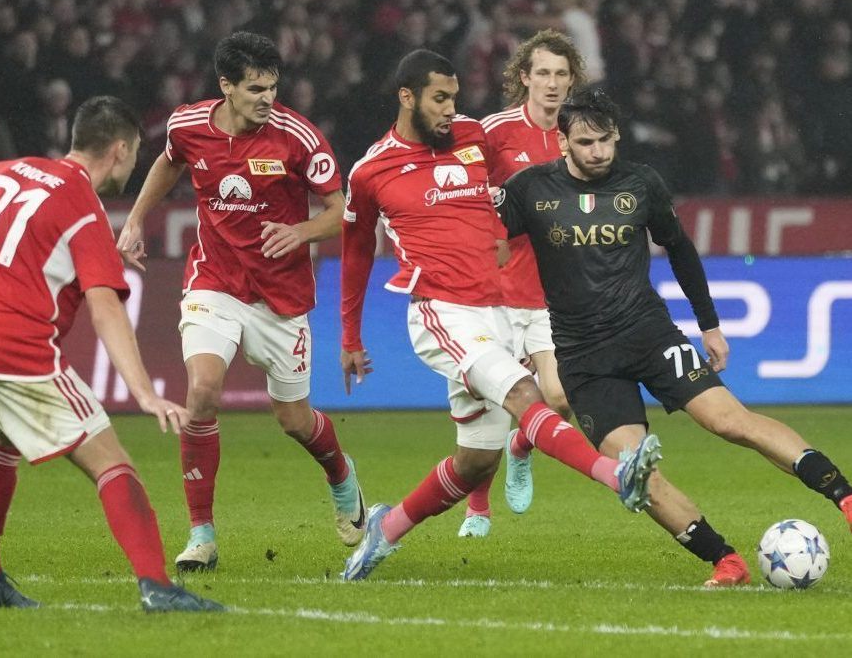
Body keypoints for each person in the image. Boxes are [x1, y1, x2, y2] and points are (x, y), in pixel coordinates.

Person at [497, 88, 852, 586]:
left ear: (617, 136)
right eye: (585, 143)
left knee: (731, 422)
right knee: (635, 470)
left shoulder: (641, 183)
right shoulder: (529, 189)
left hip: (649, 334)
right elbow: (482, 245)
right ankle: (726, 561)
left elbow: (680, 250)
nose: (598, 152)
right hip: (584, 358)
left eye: (605, 140)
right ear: (562, 143)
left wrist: (709, 325)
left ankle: (845, 497)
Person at [339, 49, 662, 582]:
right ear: (406, 97)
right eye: (439, 99)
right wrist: (350, 335)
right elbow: (355, 252)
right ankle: (616, 475)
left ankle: (386, 529)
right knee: (526, 395)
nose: (451, 109)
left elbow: (511, 189)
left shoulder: (472, 136)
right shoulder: (372, 169)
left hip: (497, 309)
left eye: (454, 98)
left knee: (475, 462)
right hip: (441, 311)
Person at [0, 96, 223, 612]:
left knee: (4, 435)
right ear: (120, 150)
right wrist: (144, 393)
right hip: (11, 348)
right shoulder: (82, 203)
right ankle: (158, 588)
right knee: (111, 462)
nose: (132, 167)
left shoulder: (0, 171)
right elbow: (106, 309)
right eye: (134, 155)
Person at [116, 31, 366, 573]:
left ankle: (340, 475)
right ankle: (201, 535)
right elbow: (169, 162)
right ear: (226, 86)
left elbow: (340, 210)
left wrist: (300, 232)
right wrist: (135, 218)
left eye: (273, 87)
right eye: (255, 89)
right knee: (203, 391)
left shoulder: (298, 137)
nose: (267, 99)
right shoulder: (188, 125)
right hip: (216, 282)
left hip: (282, 297)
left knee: (294, 420)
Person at [459, 29, 587, 538]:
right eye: (543, 73)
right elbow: (464, 191)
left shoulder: (579, 135)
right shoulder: (494, 132)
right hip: (496, 293)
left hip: (551, 296)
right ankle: (477, 508)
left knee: (560, 400)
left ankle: (521, 447)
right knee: (491, 405)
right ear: (524, 78)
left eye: (561, 74)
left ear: (572, 81)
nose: (552, 84)